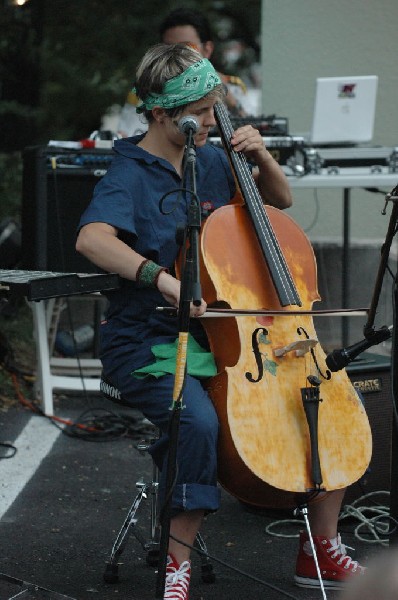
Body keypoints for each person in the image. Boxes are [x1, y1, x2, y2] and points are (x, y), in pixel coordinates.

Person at [76, 43, 365, 599]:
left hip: (228, 334)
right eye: (205, 110)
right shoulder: (127, 173)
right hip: (149, 339)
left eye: (217, 108)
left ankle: (320, 551)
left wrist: (261, 158)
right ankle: (177, 566)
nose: (216, 120)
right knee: (198, 423)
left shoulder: (211, 158)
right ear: (163, 114)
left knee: (325, 401)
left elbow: (276, 205)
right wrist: (162, 279)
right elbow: (92, 239)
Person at [117, 7, 248, 137]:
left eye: (187, 47)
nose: (176, 55)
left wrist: (232, 103)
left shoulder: (232, 88)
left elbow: (254, 132)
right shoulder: (149, 88)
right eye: (168, 49)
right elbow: (129, 134)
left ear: (207, 50)